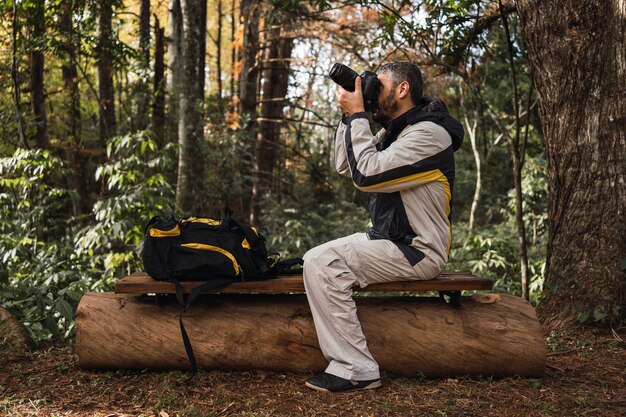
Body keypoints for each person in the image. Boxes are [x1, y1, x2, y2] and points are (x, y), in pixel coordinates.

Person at [302, 61, 464, 393]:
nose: (375, 92)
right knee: (316, 259)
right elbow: (346, 165)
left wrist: (359, 115)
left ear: (403, 89)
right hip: (391, 239)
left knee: (322, 264)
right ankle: (352, 362)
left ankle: (356, 368)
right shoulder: (397, 131)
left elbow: (368, 174)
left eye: (381, 85)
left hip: (418, 249)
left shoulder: (428, 134)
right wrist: (350, 117)